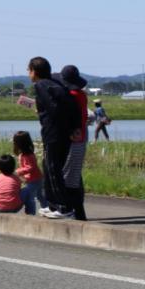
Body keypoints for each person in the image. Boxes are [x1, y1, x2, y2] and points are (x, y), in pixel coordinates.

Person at [26, 56, 78, 219]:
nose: (28, 73)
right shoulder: (56, 83)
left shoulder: (41, 85)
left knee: (53, 169)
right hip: (62, 133)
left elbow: (54, 109)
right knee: (49, 168)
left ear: (34, 71)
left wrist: (48, 116)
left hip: (54, 133)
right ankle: (53, 204)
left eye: (29, 70)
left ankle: (64, 207)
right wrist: (72, 127)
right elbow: (70, 106)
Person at [56, 65, 89, 221]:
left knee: (70, 178)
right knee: (75, 176)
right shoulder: (81, 94)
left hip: (74, 139)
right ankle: (78, 212)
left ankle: (74, 212)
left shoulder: (72, 95)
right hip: (81, 136)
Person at [12, 130, 45, 216]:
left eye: (15, 142)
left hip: (33, 180)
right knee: (40, 196)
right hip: (37, 178)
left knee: (31, 197)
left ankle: (31, 213)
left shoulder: (27, 155)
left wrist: (17, 172)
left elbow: (30, 167)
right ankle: (46, 208)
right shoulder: (27, 153)